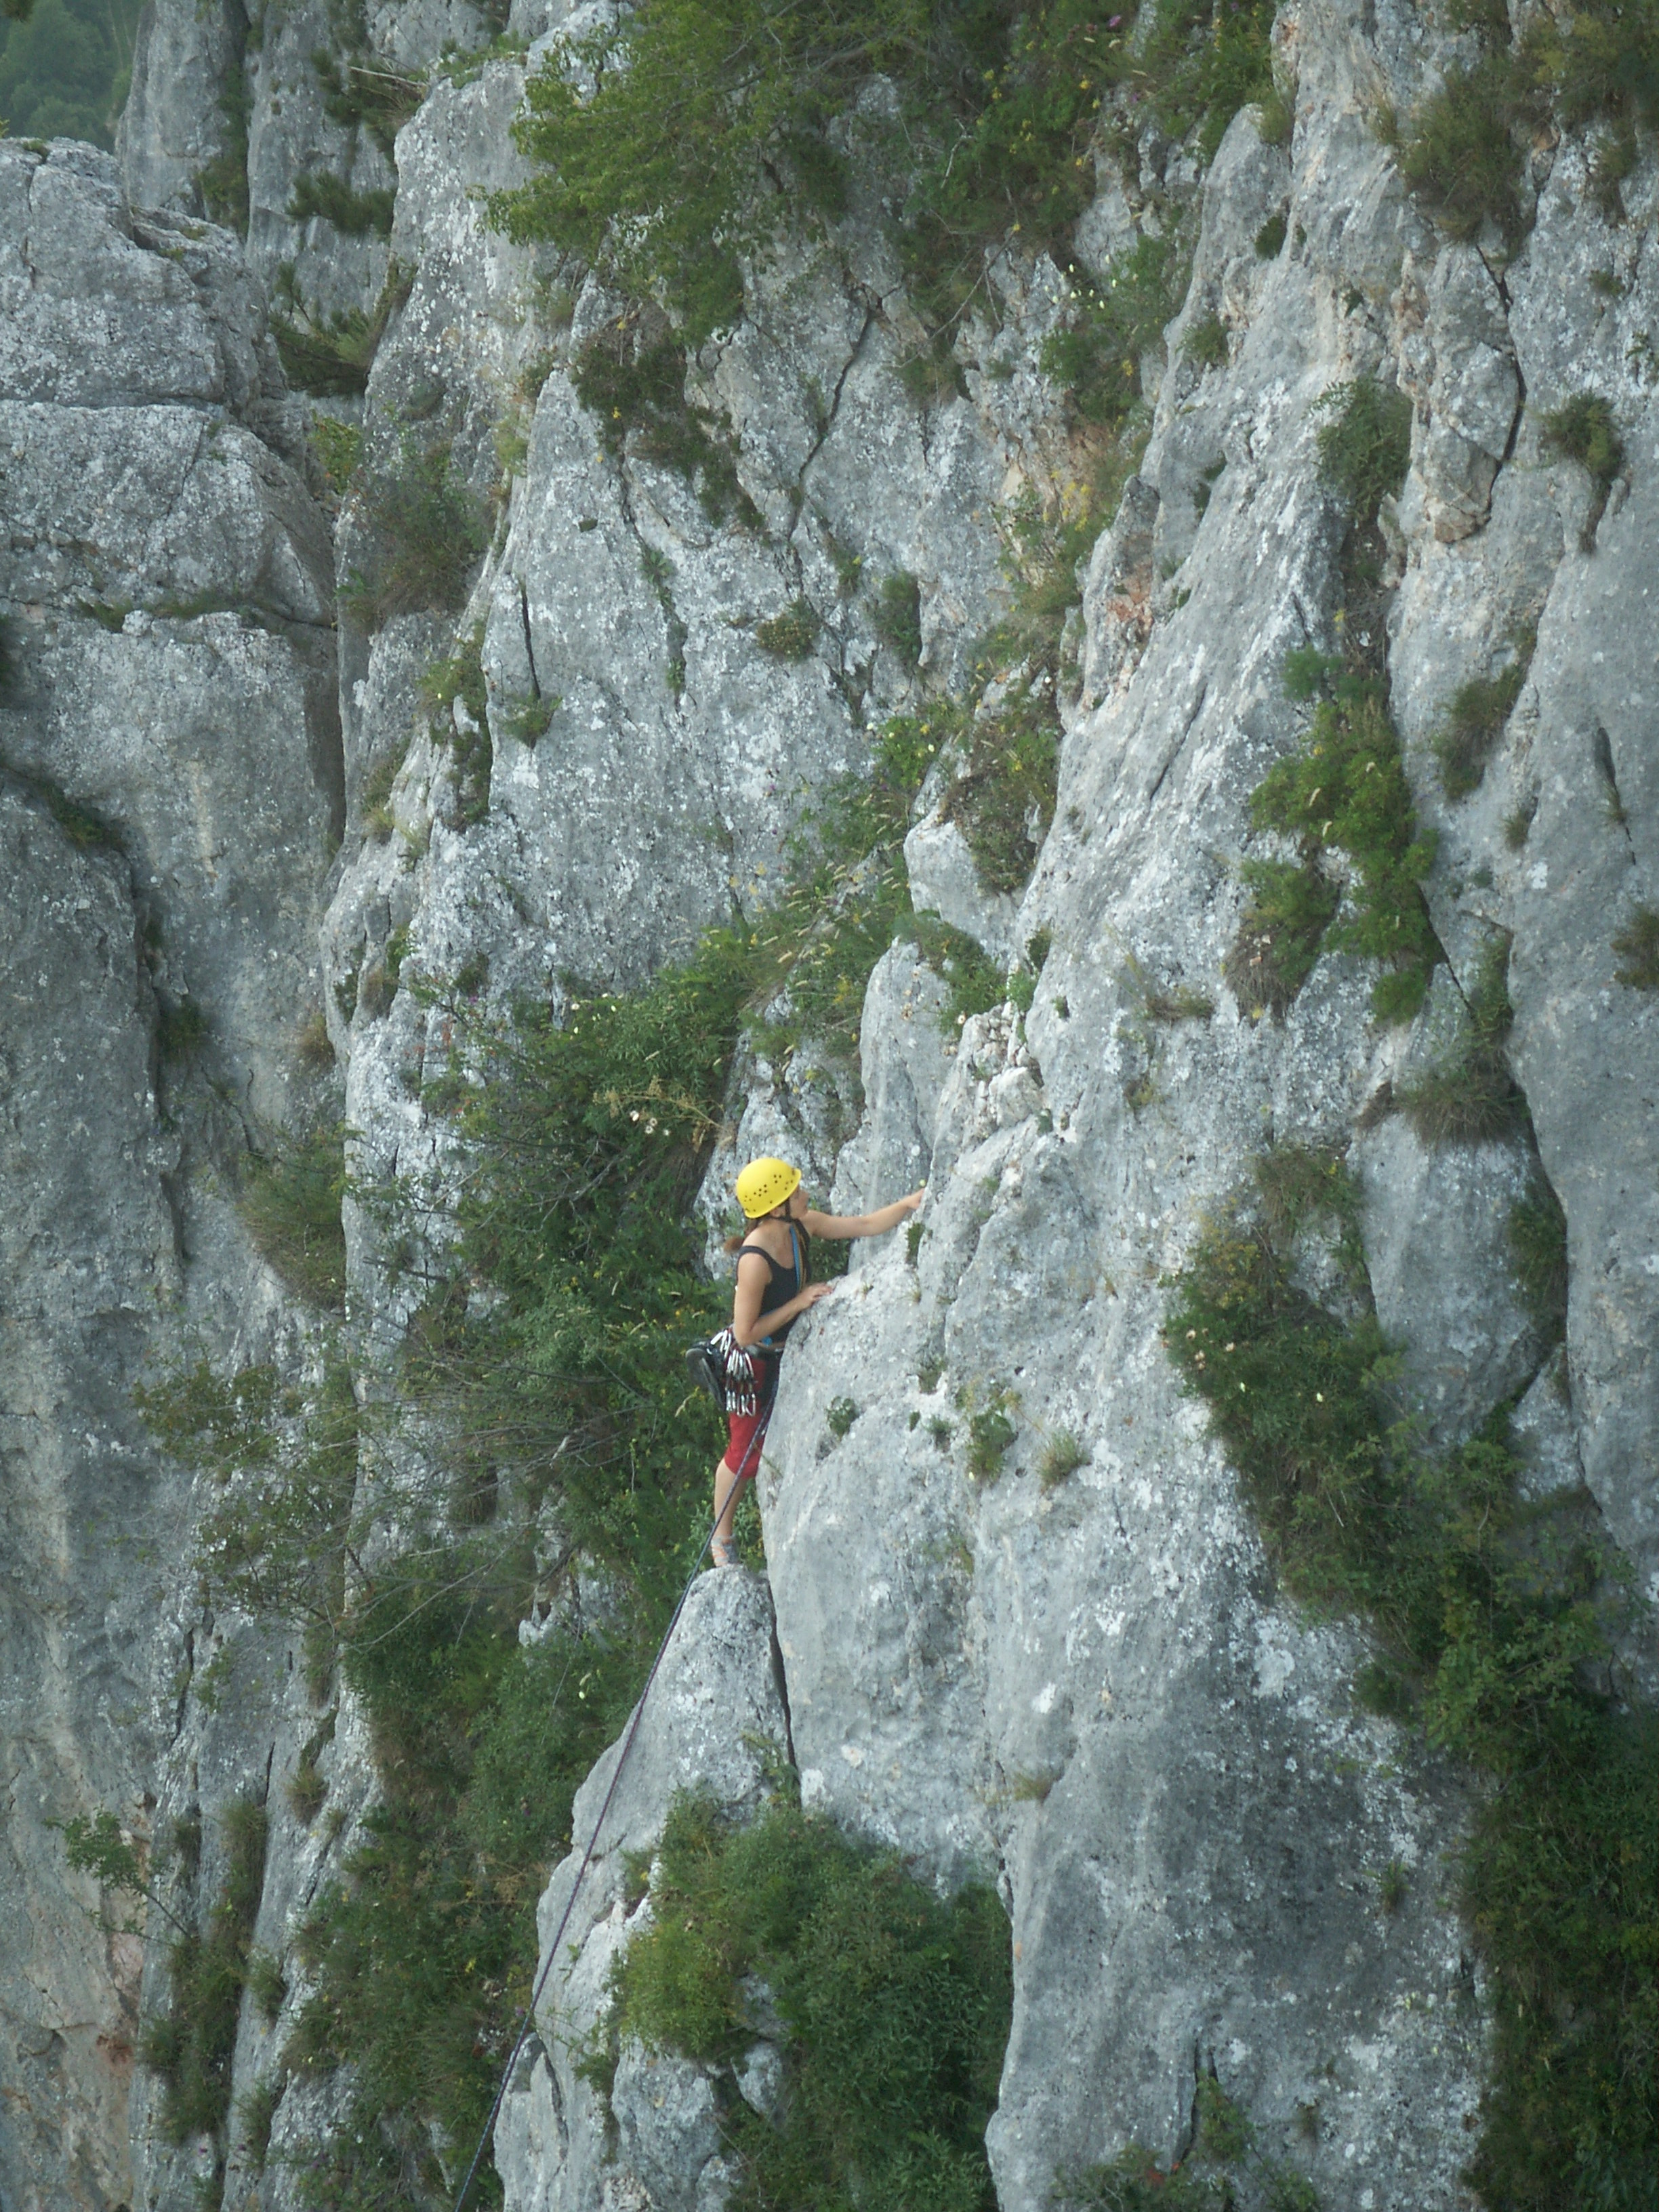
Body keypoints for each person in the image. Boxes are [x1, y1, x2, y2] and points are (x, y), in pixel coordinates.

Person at [710, 1157, 923, 1567]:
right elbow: (745, 1333)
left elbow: (863, 1225)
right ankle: (722, 1537)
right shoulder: (754, 1261)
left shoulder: (801, 1227)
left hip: (786, 1349)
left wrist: (907, 1204)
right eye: (795, 1193)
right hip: (754, 1362)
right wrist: (798, 1303)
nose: (805, 1195)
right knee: (744, 1454)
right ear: (777, 1209)